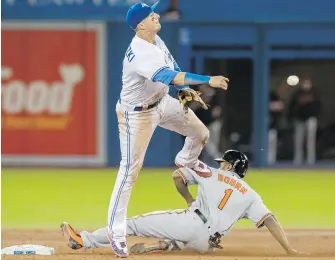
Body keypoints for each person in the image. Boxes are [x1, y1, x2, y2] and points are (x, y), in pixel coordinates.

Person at [107, 1, 229, 257]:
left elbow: (172, 69)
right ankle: (115, 231)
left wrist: (181, 90)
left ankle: (186, 160)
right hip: (136, 115)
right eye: (150, 15)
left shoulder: (156, 39)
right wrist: (209, 80)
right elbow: (170, 76)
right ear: (140, 25)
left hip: (162, 102)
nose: (155, 15)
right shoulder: (140, 51)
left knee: (200, 133)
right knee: (129, 171)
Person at [61, 150, 301, 256]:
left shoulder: (211, 172)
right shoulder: (251, 194)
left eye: (224, 162)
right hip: (208, 243)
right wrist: (288, 250)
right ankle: (167, 245)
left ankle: (84, 240)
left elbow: (177, 176)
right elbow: (270, 220)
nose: (221, 165)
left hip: (191, 223)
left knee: (133, 224)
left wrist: (188, 199)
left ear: (229, 166)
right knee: (193, 239)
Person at [287, 78, 321, 165]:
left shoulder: (314, 93)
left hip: (311, 119)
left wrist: (315, 115)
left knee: (311, 141)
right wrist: (290, 118)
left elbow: (318, 106)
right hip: (299, 119)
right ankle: (297, 159)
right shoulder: (297, 94)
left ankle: (310, 160)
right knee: (298, 140)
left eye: (307, 83)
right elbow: (291, 106)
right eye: (304, 83)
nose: (306, 85)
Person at [268, 86, 284, 164]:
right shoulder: (268, 98)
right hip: (263, 128)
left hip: (272, 126)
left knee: (272, 144)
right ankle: (267, 160)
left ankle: (271, 161)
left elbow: (279, 112)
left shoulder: (277, 100)